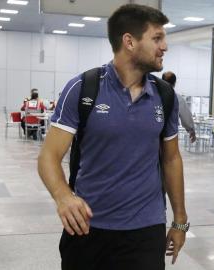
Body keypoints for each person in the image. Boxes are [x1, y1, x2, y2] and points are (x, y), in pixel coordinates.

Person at [37, 4, 188, 270]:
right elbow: (49, 155)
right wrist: (63, 196)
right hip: (88, 227)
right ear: (129, 41)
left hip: (146, 230)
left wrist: (179, 220)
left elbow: (171, 159)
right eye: (156, 38)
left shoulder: (165, 96)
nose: (164, 46)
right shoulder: (83, 88)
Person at [162, 71, 196, 143]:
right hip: (171, 134)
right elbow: (186, 116)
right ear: (175, 83)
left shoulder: (154, 96)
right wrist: (191, 130)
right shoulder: (177, 98)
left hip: (155, 133)